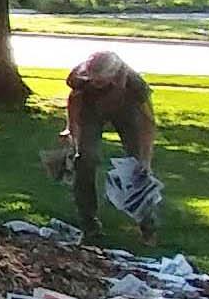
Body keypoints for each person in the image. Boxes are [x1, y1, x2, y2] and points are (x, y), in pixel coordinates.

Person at [52, 52, 160, 244]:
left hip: (127, 111)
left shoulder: (135, 85)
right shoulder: (80, 78)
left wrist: (146, 159)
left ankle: (147, 227)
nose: (96, 84)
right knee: (85, 159)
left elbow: (148, 122)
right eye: (93, 81)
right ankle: (89, 225)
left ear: (114, 75)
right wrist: (70, 130)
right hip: (91, 110)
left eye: (101, 82)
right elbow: (74, 101)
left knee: (137, 167)